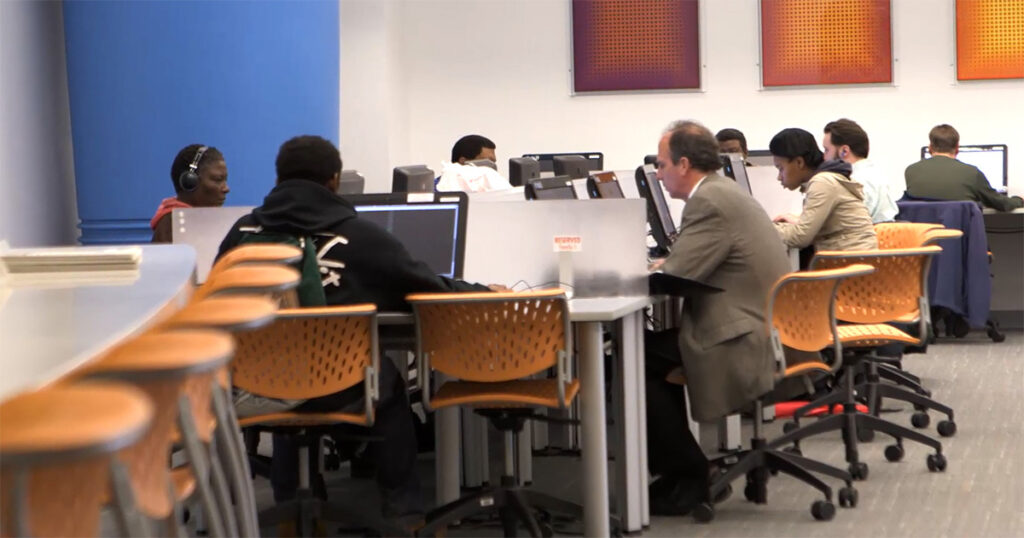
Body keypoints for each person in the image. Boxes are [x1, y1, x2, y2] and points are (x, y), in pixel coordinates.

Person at [216, 135, 502, 522]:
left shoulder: (242, 234)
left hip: (258, 384)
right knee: (388, 385)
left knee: (284, 371)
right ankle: (404, 514)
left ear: (279, 178)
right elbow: (429, 287)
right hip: (339, 387)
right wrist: (486, 292)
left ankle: (287, 510)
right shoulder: (362, 237)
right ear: (334, 181)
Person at [645, 121, 791, 515]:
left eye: (661, 165)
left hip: (741, 337)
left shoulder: (708, 202)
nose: (657, 175)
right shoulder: (724, 192)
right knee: (645, 351)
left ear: (684, 164)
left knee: (633, 360)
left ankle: (690, 477)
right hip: (763, 325)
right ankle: (684, 471)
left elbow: (678, 276)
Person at [769, 128, 877, 254]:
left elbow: (800, 237)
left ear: (799, 162)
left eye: (780, 168)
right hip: (860, 261)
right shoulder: (828, 178)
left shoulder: (822, 182)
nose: (779, 177)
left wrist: (762, 228)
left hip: (850, 262)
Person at [904, 124, 1023, 212]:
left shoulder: (911, 171)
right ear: (957, 148)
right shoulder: (972, 173)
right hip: (960, 240)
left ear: (930, 148)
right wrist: (1019, 199)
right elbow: (1000, 203)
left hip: (924, 242)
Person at [823, 119, 899, 223]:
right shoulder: (876, 175)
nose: (824, 157)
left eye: (826, 150)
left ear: (844, 151)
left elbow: (844, 226)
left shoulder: (853, 182)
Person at [150, 144, 229, 243]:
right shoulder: (174, 226)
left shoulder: (201, 222)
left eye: (225, 180)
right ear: (190, 182)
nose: (226, 188)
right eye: (218, 180)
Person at [437, 134, 511, 192]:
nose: (491, 168)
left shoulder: (493, 188)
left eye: (493, 162)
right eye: (488, 162)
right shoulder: (436, 190)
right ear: (463, 162)